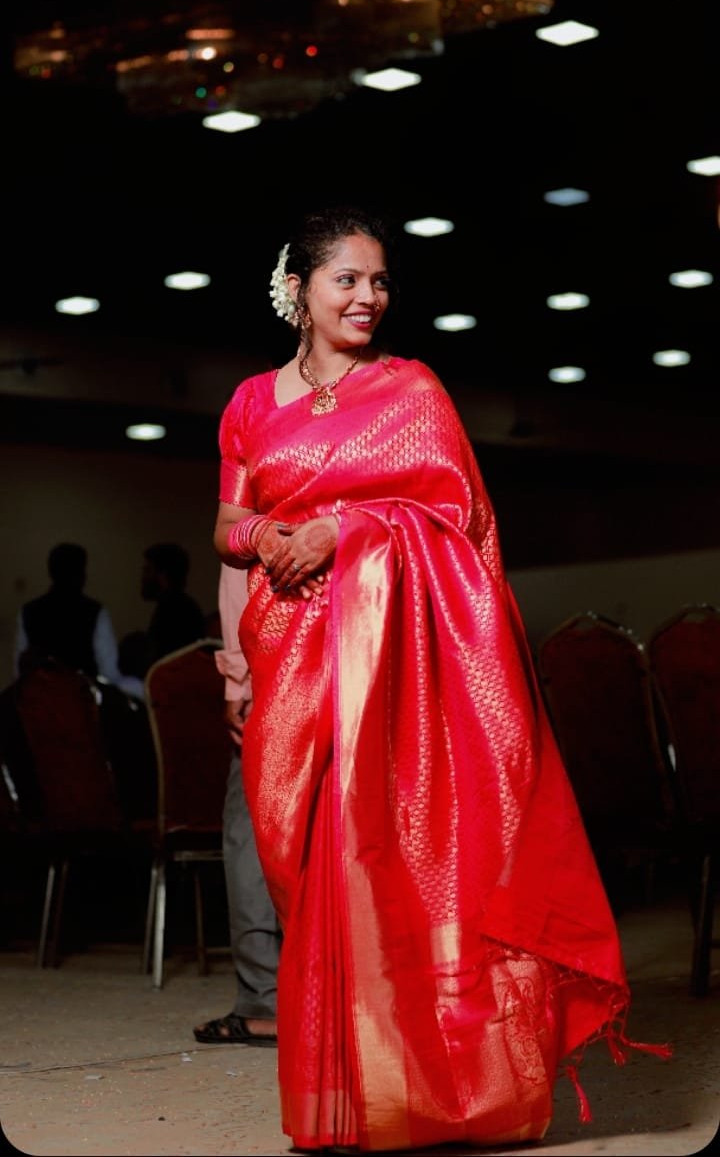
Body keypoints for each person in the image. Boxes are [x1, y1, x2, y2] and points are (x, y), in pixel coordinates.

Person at [212, 206, 670, 1152]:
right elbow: (227, 533)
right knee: (313, 875)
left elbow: (461, 523)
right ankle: (353, 1098)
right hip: (292, 659)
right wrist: (240, 644)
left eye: (380, 280)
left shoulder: (413, 389)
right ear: (298, 288)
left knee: (407, 862)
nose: (369, 297)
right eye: (348, 279)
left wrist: (348, 530)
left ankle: (459, 1092)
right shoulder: (251, 402)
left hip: (404, 666)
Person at [192, 562, 281, 1047]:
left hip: (277, 668)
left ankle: (266, 1004)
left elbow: (236, 578)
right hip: (355, 660)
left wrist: (238, 683)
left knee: (249, 832)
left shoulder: (252, 512)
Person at [14, 542, 141, 697]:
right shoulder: (95, 612)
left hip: (40, 702)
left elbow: (19, 670)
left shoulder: (28, 611)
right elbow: (109, 672)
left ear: (51, 572)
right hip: (82, 702)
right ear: (81, 573)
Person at [139, 541, 206, 670]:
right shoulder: (182, 606)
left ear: (162, 574)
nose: (143, 577)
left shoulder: (173, 611)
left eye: (148, 570)